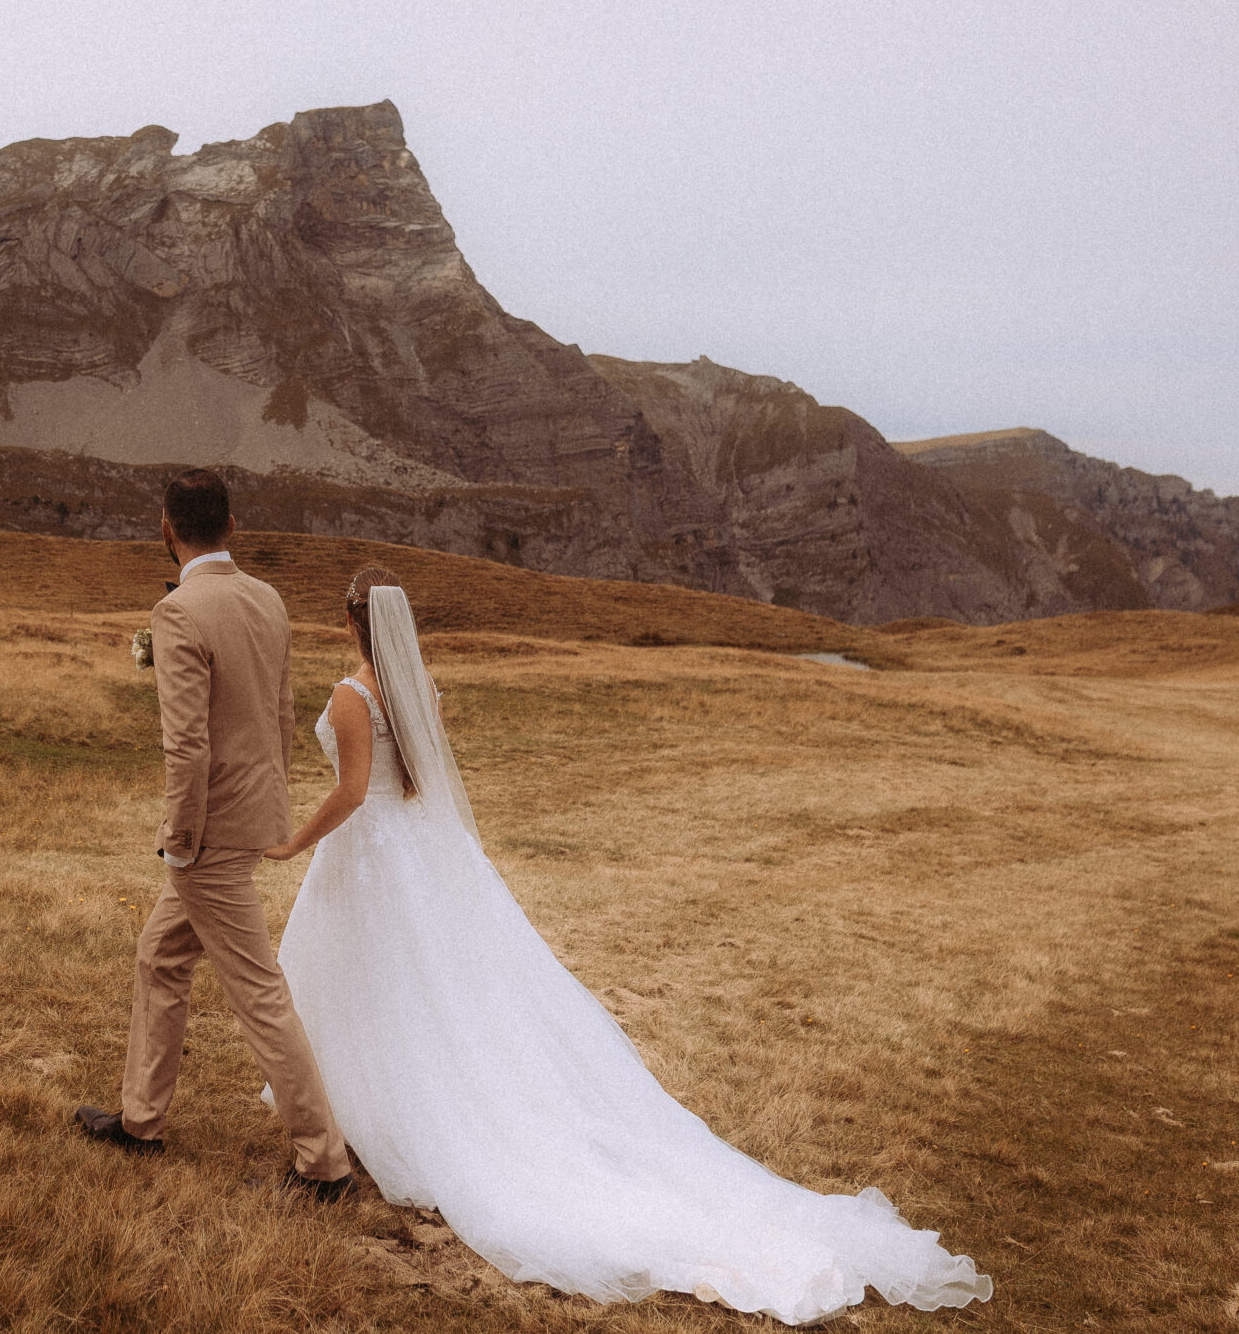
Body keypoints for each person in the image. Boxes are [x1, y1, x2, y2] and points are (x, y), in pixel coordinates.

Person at [263, 565, 994, 1325]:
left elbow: (353, 792)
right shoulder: (415, 687)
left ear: (350, 621)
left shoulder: (354, 696)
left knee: (383, 986)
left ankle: (390, 1113)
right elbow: (419, 778)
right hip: (419, 849)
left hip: (375, 853)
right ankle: (372, 1105)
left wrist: (291, 843)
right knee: (425, 988)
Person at [75, 469, 353, 1200]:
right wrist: (273, 805)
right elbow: (280, 716)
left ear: (165, 529)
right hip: (253, 811)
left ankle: (324, 1164)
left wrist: (181, 836)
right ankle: (140, 1119)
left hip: (209, 832)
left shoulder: (178, 613)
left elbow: (187, 746)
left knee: (258, 990)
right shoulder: (267, 598)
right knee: (160, 954)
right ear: (232, 526)